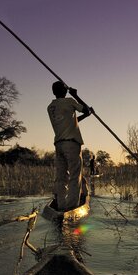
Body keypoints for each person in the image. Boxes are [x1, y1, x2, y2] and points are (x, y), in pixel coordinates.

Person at [47, 81, 91, 211]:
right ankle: (72, 207)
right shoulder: (70, 101)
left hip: (59, 144)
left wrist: (85, 115)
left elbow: (70, 120)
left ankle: (60, 206)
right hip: (71, 144)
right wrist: (76, 95)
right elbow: (86, 109)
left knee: (61, 177)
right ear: (65, 91)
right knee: (74, 176)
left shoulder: (50, 107)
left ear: (54, 92)